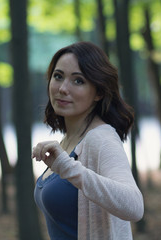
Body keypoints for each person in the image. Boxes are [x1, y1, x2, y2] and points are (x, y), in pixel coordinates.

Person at [32, 41, 144, 240]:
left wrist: (69, 168)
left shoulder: (102, 139)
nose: (63, 89)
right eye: (58, 77)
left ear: (99, 92)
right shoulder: (69, 139)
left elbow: (134, 206)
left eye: (78, 81)